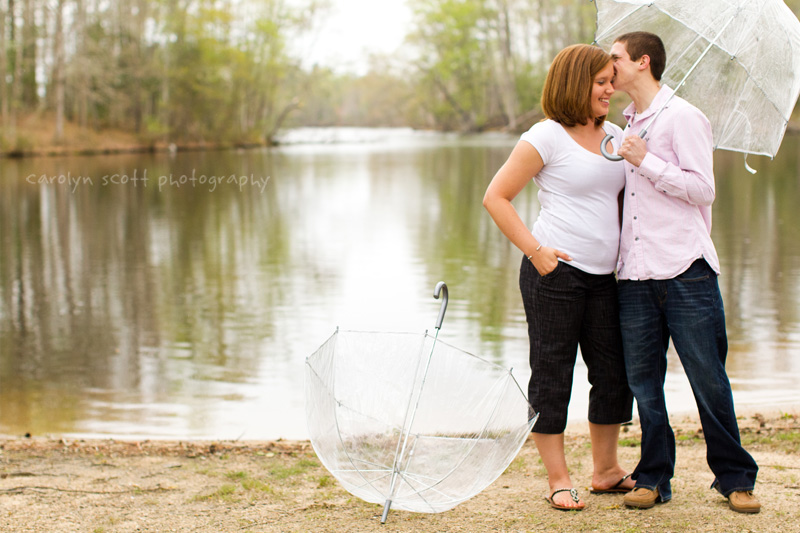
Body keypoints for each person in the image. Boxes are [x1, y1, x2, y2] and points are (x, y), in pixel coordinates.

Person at [609, 31, 760, 514]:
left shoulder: (685, 117)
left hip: (686, 271)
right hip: (634, 274)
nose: (608, 65)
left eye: (615, 58)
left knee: (708, 379)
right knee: (643, 383)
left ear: (642, 62)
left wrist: (646, 160)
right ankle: (653, 476)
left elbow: (703, 190)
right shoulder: (625, 123)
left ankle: (735, 478)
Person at [483, 44, 634, 511]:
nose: (612, 89)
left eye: (613, 80)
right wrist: (536, 251)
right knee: (553, 375)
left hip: (606, 277)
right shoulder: (544, 137)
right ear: (575, 82)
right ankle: (558, 478)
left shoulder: (615, 134)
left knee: (613, 375)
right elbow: (496, 197)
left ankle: (606, 471)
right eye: (602, 82)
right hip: (556, 275)